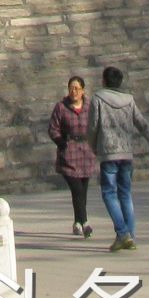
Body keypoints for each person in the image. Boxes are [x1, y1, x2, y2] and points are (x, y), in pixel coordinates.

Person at [88, 65, 149, 251]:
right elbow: (143, 124)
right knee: (125, 194)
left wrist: (93, 146)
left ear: (104, 81)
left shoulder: (98, 99)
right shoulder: (129, 100)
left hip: (109, 153)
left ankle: (123, 233)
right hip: (126, 153)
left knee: (109, 193)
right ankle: (129, 236)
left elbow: (92, 127)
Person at [48, 74, 97, 238]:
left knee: (83, 190)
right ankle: (85, 222)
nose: (73, 91)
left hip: (86, 154)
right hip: (69, 154)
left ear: (83, 90)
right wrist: (61, 142)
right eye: (71, 88)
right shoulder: (61, 107)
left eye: (76, 88)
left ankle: (77, 222)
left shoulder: (90, 106)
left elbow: (97, 125)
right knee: (76, 189)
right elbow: (53, 128)